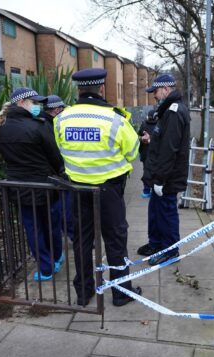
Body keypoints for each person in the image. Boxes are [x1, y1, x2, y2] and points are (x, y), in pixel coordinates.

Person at [53, 68, 142, 307]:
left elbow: (61, 149)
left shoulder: (62, 118)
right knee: (115, 241)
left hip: (78, 190)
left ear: (78, 90)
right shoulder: (115, 119)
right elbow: (133, 152)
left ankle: (84, 292)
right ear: (101, 88)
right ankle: (121, 293)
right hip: (109, 191)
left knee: (82, 241)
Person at [0, 88, 64, 281]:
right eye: (34, 102)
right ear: (22, 103)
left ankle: (46, 268)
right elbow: (55, 157)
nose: (37, 106)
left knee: (33, 228)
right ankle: (57, 257)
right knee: (51, 224)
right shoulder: (38, 125)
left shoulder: (0, 128)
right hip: (45, 185)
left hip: (20, 188)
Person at [137, 74, 190, 266]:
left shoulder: (174, 112)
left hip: (167, 177)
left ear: (166, 89)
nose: (155, 96)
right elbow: (163, 142)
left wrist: (160, 179)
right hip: (159, 174)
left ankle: (170, 249)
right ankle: (157, 243)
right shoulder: (167, 110)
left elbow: (170, 150)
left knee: (167, 212)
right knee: (155, 211)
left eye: (156, 92)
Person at [41, 95, 74, 242]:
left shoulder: (44, 123)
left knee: (61, 210)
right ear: (56, 110)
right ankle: (73, 235)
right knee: (65, 210)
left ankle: (68, 234)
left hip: (53, 174)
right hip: (58, 174)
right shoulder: (49, 125)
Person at [137, 109, 157, 198]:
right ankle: (154, 190)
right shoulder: (159, 124)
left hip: (145, 153)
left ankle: (146, 190)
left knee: (146, 172)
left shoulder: (144, 124)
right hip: (156, 153)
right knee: (155, 172)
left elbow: (139, 134)